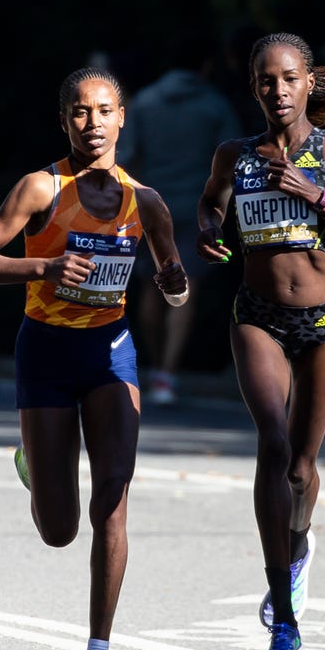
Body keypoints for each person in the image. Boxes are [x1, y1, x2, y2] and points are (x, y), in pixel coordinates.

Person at [0, 67, 188, 650]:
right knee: (59, 527)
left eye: (104, 111)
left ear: (122, 119)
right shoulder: (41, 188)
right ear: (65, 121)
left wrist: (173, 282)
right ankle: (35, 460)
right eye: (80, 112)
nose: (93, 123)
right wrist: (45, 265)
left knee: (112, 496)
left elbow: (173, 276)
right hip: (47, 351)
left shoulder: (150, 202)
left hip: (110, 351)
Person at [195, 32, 325, 650]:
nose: (276, 91)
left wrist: (319, 199)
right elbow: (210, 205)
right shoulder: (236, 154)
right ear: (252, 88)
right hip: (258, 319)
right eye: (264, 81)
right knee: (273, 447)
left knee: (303, 470)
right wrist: (207, 233)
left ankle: (299, 542)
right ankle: (285, 627)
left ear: (309, 82)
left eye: (287, 79)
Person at [116, 28, 242, 404]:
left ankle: (154, 365)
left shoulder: (145, 102)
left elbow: (126, 155)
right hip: (196, 209)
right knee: (186, 288)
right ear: (205, 64)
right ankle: (166, 375)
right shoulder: (216, 105)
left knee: (149, 287)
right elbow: (234, 160)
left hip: (148, 205)